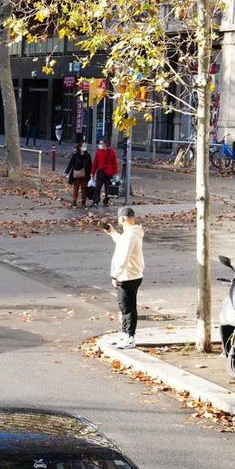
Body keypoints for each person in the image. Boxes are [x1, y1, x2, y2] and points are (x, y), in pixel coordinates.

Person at [103, 208, 145, 348]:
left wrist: (115, 275)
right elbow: (122, 244)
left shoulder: (130, 235)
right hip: (131, 274)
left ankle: (130, 336)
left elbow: (124, 257)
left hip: (128, 276)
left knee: (128, 308)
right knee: (124, 306)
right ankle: (125, 333)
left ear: (122, 219)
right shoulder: (132, 233)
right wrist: (113, 233)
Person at [92, 138, 121, 205]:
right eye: (99, 143)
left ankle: (106, 201)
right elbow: (95, 163)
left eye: (101, 143)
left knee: (107, 189)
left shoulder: (111, 152)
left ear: (105, 144)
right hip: (100, 172)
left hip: (109, 173)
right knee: (97, 187)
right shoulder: (98, 152)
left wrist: (115, 173)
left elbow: (114, 163)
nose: (100, 145)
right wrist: (92, 173)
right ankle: (96, 200)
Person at [65, 140, 92, 208]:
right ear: (80, 147)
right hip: (76, 174)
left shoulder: (87, 155)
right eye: (83, 146)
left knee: (84, 188)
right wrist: (66, 172)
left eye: (85, 146)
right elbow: (70, 164)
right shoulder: (75, 155)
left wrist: (91, 173)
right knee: (76, 188)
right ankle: (74, 201)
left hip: (85, 174)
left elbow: (90, 165)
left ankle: (83, 201)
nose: (85, 147)